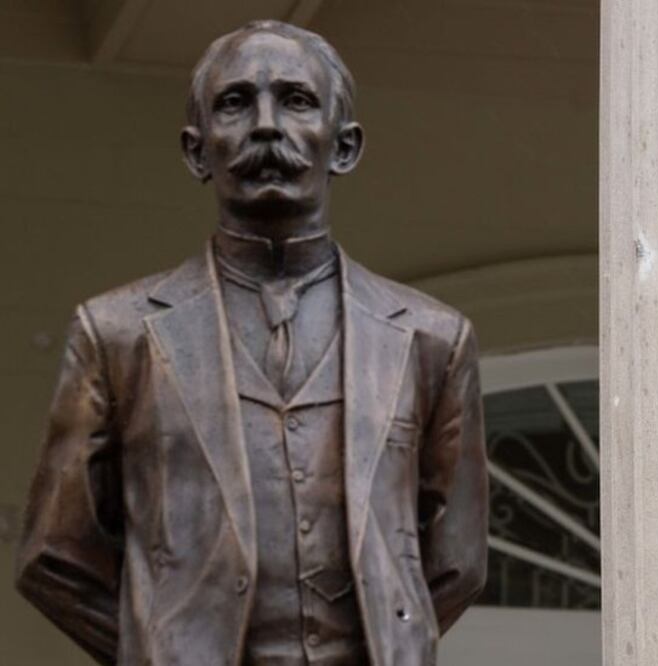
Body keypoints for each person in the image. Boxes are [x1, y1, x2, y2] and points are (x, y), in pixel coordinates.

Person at [15, 20, 488, 665]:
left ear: (343, 146)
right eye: (235, 103)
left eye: (296, 100)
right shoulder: (117, 333)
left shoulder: (432, 339)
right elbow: (54, 554)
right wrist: (165, 644)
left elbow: (456, 559)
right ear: (196, 151)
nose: (266, 126)